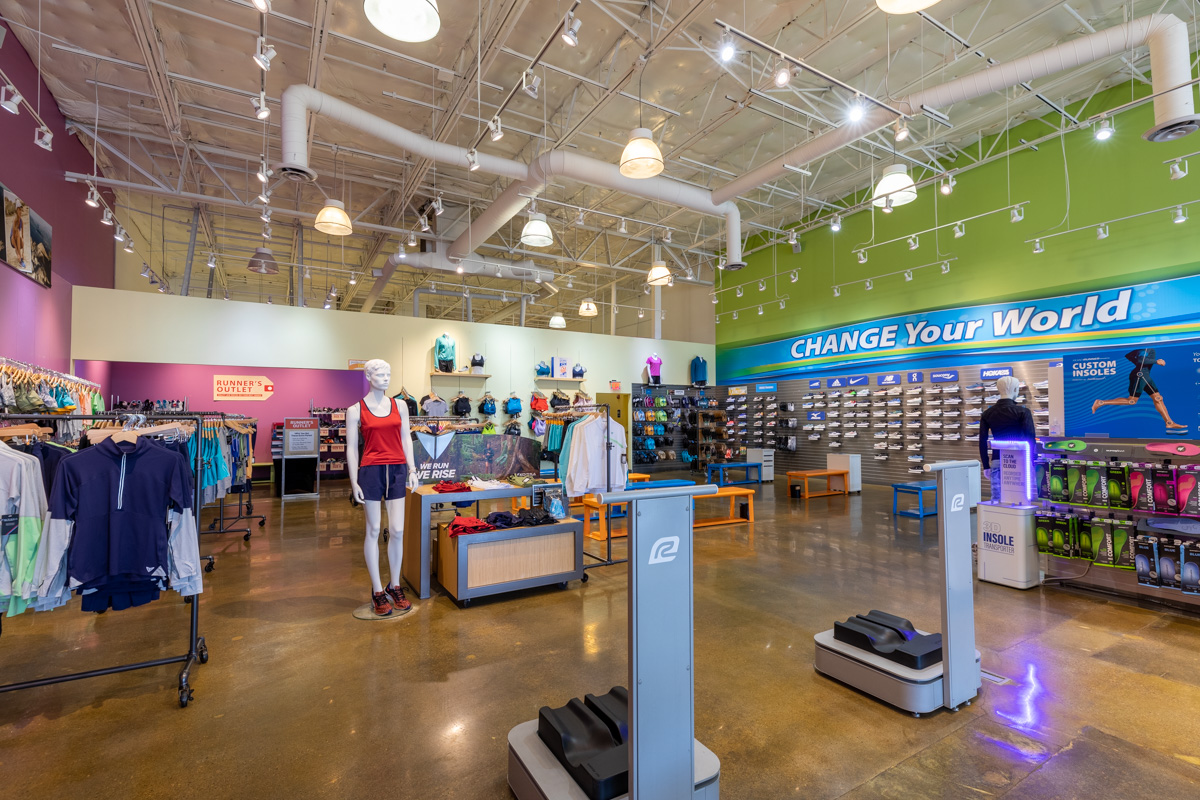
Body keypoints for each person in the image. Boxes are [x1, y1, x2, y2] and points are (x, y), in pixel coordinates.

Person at [346, 359, 421, 617]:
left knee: (398, 530)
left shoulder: (399, 405)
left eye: (389, 373)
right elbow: (350, 447)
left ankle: (395, 585)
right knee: (374, 529)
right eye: (380, 373)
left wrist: (412, 469)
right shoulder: (356, 409)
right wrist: (354, 480)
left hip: (397, 469)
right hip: (371, 471)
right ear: (368, 376)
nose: (386, 378)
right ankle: (377, 590)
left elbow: (406, 438)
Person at [1090, 347, 1186, 431]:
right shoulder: (1147, 348)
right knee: (1132, 401)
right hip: (1141, 375)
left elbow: (1129, 356)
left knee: (1158, 398)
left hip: (1144, 375)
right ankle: (1101, 402)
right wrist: (1156, 361)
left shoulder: (1142, 349)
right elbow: (1140, 360)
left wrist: (1140, 363)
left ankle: (1169, 423)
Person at [979, 375, 1036, 498]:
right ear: (1015, 389)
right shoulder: (1023, 412)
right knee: (1020, 498)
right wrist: (1032, 462)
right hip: (1020, 460)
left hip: (997, 460)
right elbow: (1030, 439)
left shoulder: (987, 413)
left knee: (998, 499)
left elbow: (982, 441)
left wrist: (986, 465)